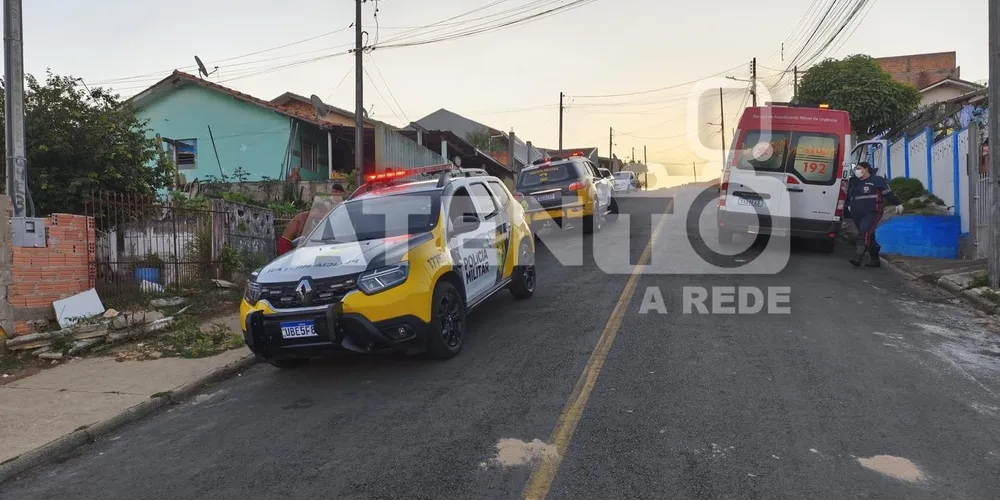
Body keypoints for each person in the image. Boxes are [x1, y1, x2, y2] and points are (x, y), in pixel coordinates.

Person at [847, 161, 903, 268]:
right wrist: (848, 205)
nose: (857, 171)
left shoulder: (877, 180)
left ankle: (858, 258)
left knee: (864, 232)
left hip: (872, 211)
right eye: (856, 169)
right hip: (857, 214)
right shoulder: (854, 182)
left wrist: (897, 203)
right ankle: (875, 260)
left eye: (859, 168)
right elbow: (848, 195)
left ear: (866, 169)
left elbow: (887, 193)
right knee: (869, 235)